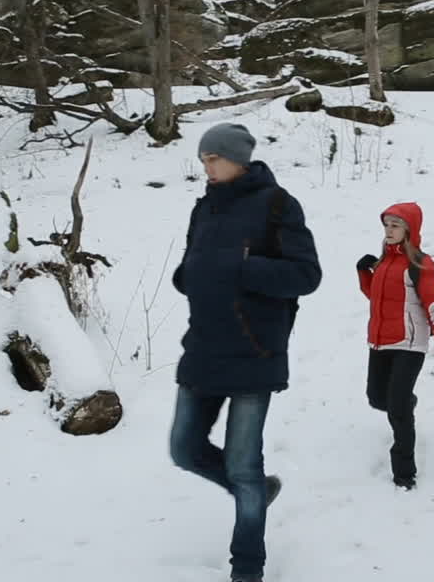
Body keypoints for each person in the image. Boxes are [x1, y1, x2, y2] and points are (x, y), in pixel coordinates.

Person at [170, 122, 322, 582]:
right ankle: (257, 490)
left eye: (213, 159)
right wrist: (189, 276)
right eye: (202, 161)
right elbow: (194, 263)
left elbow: (306, 275)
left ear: (238, 158)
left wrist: (242, 268)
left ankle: (248, 568)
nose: (207, 167)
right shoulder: (204, 209)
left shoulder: (278, 205)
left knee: (242, 463)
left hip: (256, 351)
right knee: (184, 449)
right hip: (203, 348)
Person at [356, 202, 434, 490]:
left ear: (409, 231)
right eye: (386, 224)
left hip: (409, 344)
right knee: (378, 399)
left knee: (396, 407)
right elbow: (377, 299)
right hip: (379, 342)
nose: (388, 230)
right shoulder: (384, 262)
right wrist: (366, 274)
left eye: (395, 225)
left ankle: (404, 472)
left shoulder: (419, 264)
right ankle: (406, 402)